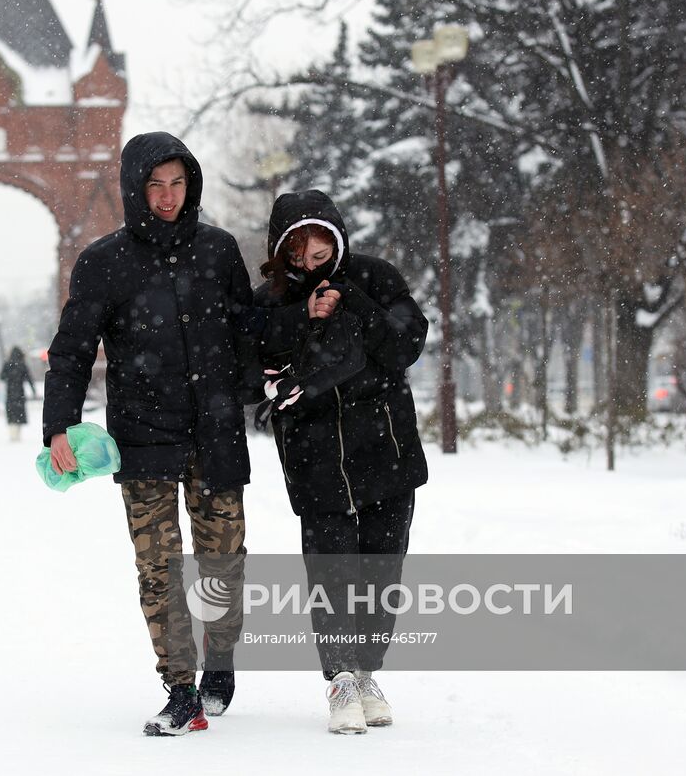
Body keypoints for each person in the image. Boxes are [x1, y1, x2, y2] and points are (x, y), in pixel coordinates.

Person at [43, 131, 257, 737]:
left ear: (191, 185)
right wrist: (58, 424)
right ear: (135, 188)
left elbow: (246, 332)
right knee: (159, 567)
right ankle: (180, 689)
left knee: (223, 559)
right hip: (142, 436)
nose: (167, 197)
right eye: (155, 185)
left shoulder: (218, 250)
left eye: (177, 183)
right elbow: (73, 352)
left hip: (215, 433)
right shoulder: (104, 262)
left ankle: (220, 665)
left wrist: (255, 388)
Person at [254, 189, 428, 736]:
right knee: (331, 574)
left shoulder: (375, 277)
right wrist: (300, 323)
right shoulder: (270, 301)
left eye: (319, 247)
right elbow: (248, 363)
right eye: (296, 251)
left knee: (382, 569)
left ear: (336, 239)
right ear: (282, 251)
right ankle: (340, 679)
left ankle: (368, 671)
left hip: (386, 448)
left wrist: (350, 298)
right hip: (316, 458)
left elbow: (405, 344)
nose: (309, 260)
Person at [0, 346, 37, 441]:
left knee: (11, 414)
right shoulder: (22, 365)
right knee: (19, 414)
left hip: (10, 393)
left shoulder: (7, 364)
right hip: (20, 393)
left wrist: (9, 377)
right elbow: (29, 379)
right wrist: (33, 391)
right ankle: (18, 434)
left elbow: (1, 376)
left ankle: (13, 434)